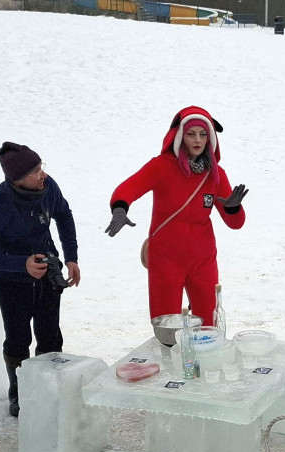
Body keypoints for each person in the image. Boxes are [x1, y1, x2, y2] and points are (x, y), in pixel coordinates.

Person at [104, 105, 248, 326]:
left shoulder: (215, 175)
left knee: (210, 324)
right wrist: (120, 209)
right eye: (191, 134)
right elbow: (128, 188)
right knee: (166, 326)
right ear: (180, 137)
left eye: (203, 134)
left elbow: (236, 223)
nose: (197, 140)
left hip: (203, 259)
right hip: (166, 259)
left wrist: (232, 208)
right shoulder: (162, 167)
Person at [0, 142, 80, 418]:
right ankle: (18, 393)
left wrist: (71, 257)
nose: (42, 174)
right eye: (35, 171)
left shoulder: (48, 187)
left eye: (41, 167)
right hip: (11, 281)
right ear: (18, 179)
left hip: (47, 269)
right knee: (18, 338)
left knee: (50, 334)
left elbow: (64, 216)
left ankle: (50, 389)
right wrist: (21, 264)